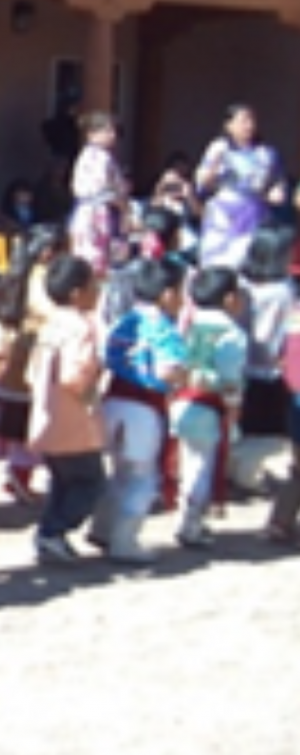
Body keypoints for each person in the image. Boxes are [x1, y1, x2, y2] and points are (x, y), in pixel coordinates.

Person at [88, 257, 188, 565]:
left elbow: (106, 356)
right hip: (144, 406)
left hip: (114, 400)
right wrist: (183, 375)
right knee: (142, 477)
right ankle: (124, 540)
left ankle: (103, 528)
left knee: (119, 473)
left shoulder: (124, 321)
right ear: (168, 293)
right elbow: (166, 370)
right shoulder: (164, 329)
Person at [0, 226, 67, 504]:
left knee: (14, 414)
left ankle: (15, 473)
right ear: (49, 252)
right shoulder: (43, 281)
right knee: (31, 415)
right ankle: (20, 473)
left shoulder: (13, 276)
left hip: (11, 352)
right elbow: (49, 314)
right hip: (32, 353)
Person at [27, 254, 107, 564]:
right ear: (77, 293)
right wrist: (96, 373)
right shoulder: (80, 328)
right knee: (91, 483)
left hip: (47, 419)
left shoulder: (48, 326)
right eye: (93, 286)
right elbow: (74, 376)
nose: (97, 292)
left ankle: (50, 534)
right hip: (74, 422)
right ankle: (53, 531)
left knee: (61, 482)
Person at [171, 266, 247, 548]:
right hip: (209, 405)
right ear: (229, 299)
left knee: (187, 463)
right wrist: (234, 405)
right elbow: (230, 377)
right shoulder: (231, 333)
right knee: (201, 467)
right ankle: (191, 523)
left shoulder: (187, 323)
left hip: (181, 400)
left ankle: (185, 517)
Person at [234, 225, 295, 494]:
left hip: (241, 367)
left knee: (246, 433)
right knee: (270, 439)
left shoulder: (240, 284)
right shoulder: (284, 290)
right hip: (272, 370)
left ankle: (239, 476)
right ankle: (259, 481)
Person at [196, 104, 283, 268]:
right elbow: (202, 184)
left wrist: (275, 192)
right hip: (224, 211)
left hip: (255, 211)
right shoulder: (218, 148)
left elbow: (276, 181)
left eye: (252, 120)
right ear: (229, 125)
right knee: (218, 262)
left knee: (250, 261)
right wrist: (214, 165)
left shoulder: (266, 153)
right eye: (243, 121)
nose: (249, 125)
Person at [69, 112, 129, 276]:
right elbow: (104, 191)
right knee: (95, 261)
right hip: (97, 213)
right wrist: (123, 207)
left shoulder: (95, 156)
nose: (113, 135)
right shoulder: (98, 157)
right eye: (107, 131)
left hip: (93, 212)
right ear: (92, 134)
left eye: (113, 131)